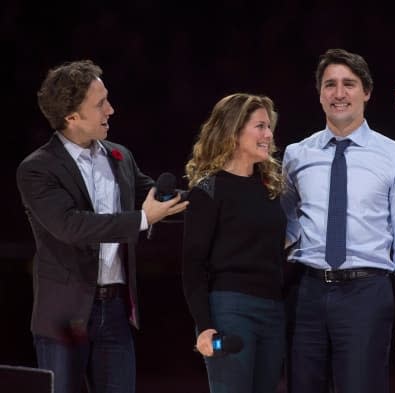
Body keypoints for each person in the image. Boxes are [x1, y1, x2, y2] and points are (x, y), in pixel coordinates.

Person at [15, 60, 188, 393]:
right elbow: (71, 226)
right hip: (65, 318)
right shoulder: (37, 169)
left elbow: (157, 199)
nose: (111, 109)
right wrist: (142, 219)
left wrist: (215, 199)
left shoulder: (119, 156)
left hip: (117, 312)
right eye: (100, 104)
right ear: (71, 117)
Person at [281, 48, 395, 393]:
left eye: (349, 84)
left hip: (366, 294)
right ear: (319, 94)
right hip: (306, 292)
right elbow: (284, 228)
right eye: (330, 85)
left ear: (367, 92)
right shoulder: (295, 155)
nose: (339, 93)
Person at [182, 93, 287, 393]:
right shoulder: (208, 190)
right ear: (233, 130)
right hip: (230, 309)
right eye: (260, 127)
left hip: (273, 310)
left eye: (269, 127)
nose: (268, 135)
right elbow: (192, 265)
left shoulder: (271, 187)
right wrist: (204, 326)